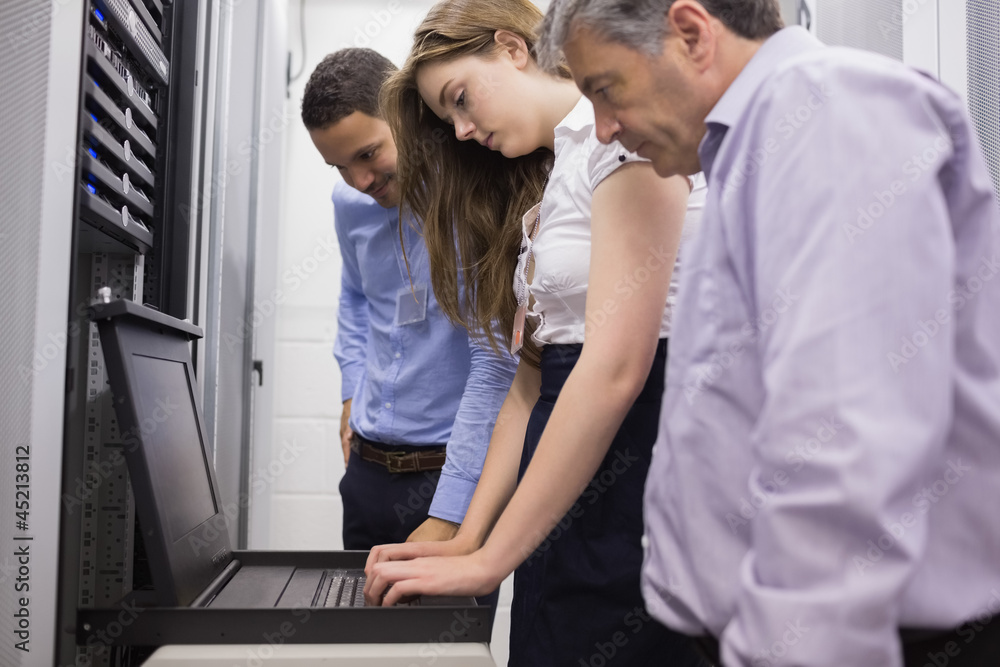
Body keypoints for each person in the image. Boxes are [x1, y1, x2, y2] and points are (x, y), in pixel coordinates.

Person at [537, 1, 1000, 665]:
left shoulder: (827, 112)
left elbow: (842, 443)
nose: (605, 130)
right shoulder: (752, 146)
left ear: (691, 34)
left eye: (606, 90)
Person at [362, 2, 707, 665]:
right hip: (567, 494)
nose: (461, 130)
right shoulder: (561, 177)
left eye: (460, 99)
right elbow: (527, 386)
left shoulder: (620, 144)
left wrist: (491, 557)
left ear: (511, 49)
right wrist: (466, 539)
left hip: (636, 479)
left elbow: (612, 370)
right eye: (448, 121)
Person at [299, 48, 517, 556]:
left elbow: (496, 358)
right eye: (339, 167)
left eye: (369, 154)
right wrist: (351, 391)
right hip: (366, 473)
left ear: (404, 113)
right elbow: (354, 296)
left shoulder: (475, 195)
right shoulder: (350, 204)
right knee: (354, 629)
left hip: (451, 473)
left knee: (445, 637)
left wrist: (451, 512)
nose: (360, 182)